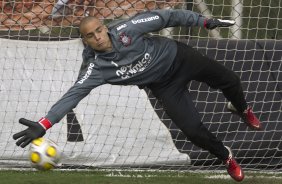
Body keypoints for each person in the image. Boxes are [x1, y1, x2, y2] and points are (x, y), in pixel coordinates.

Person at [13, 9, 262, 182]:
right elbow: (72, 96)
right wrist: (44, 124)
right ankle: (226, 156)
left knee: (231, 81)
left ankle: (241, 108)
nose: (99, 37)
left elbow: (168, 17)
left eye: (99, 30)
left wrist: (203, 22)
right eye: (91, 35)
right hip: (164, 85)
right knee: (193, 131)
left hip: (180, 58)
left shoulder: (127, 29)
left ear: (104, 27)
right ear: (85, 41)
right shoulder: (95, 68)